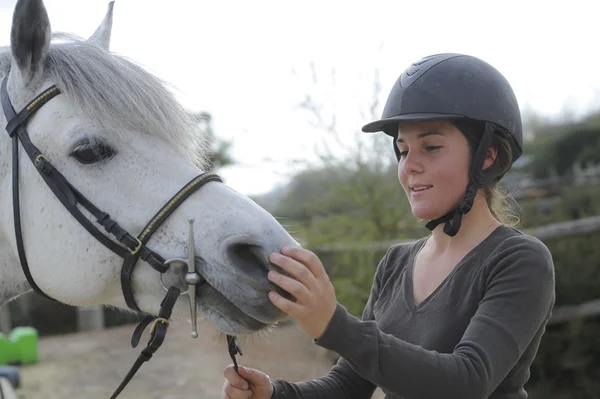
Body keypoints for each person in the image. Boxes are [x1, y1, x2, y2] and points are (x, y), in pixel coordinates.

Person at [221, 53, 556, 399]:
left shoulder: (520, 260)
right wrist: (277, 395)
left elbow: (467, 382)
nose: (410, 165)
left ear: (487, 155)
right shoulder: (395, 264)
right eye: (402, 149)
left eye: (431, 147)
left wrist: (334, 325)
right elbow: (350, 385)